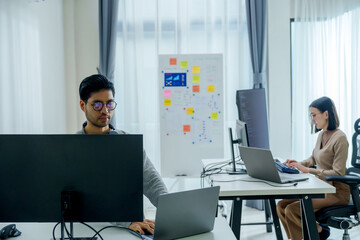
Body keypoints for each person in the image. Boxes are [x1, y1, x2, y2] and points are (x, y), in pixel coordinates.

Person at [77, 74, 168, 235]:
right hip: (88, 231)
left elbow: (152, 182)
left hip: (132, 230)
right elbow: (86, 202)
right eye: (97, 105)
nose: (105, 111)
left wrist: (173, 213)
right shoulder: (71, 148)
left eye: (110, 104)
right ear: (83, 105)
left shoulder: (127, 142)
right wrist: (126, 222)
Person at [276, 96, 350, 240]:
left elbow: (338, 172)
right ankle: (316, 231)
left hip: (336, 193)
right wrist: (298, 164)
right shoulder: (322, 135)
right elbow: (313, 159)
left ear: (326, 114)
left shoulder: (340, 138)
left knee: (292, 209)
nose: (312, 119)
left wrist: (309, 170)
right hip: (321, 188)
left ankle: (317, 233)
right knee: (281, 205)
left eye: (314, 115)